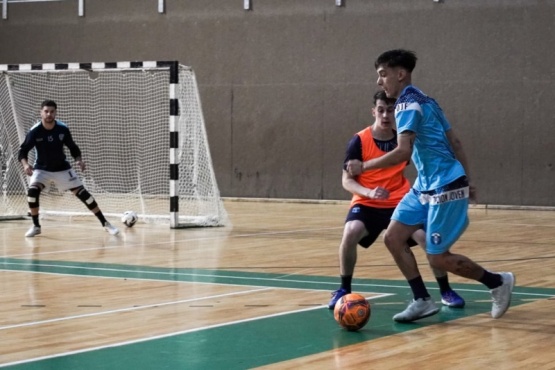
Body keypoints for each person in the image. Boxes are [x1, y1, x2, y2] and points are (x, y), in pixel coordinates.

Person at [347, 49, 514, 323]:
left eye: (382, 74)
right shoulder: (428, 101)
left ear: (400, 74)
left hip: (445, 186)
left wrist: (364, 167)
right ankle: (422, 299)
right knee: (393, 237)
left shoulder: (406, 106)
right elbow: (455, 142)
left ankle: (497, 282)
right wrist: (469, 179)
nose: (379, 82)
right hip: (424, 187)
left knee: (438, 258)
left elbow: (402, 152)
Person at [328, 90, 465, 310]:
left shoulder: (405, 139)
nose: (385, 115)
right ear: (373, 111)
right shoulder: (359, 140)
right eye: (380, 110)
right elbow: (347, 180)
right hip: (367, 203)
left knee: (426, 238)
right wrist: (368, 192)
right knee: (351, 231)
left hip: (400, 201)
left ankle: (445, 290)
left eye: (390, 110)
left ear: (397, 113)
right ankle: (344, 288)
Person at [18, 100, 120, 237]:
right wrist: (25, 165)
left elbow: (73, 147)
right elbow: (22, 151)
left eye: (52, 111)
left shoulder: (62, 129)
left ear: (56, 112)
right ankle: (36, 226)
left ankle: (106, 224)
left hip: (62, 169)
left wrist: (79, 160)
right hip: (42, 169)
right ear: (41, 112)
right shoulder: (35, 131)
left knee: (86, 196)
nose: (49, 114)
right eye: (46, 111)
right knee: (32, 192)